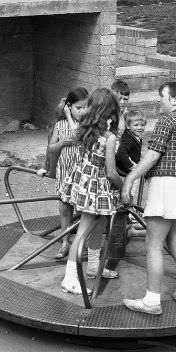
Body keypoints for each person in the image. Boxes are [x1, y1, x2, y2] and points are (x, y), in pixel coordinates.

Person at [121, 82, 176, 315]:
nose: (159, 101)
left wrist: (130, 179)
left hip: (166, 184)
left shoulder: (168, 120)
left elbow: (154, 154)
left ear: (175, 100)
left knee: (153, 244)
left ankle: (151, 301)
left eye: (162, 97)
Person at [59, 88, 124, 294]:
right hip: (96, 186)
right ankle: (70, 279)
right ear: (110, 111)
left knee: (98, 224)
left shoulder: (84, 130)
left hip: (83, 181)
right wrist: (124, 187)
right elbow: (112, 173)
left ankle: (94, 266)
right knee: (82, 233)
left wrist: (69, 114)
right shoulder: (109, 138)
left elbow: (74, 130)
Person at [41, 88, 89, 260]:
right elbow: (50, 148)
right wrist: (61, 143)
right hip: (65, 169)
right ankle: (64, 241)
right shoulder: (60, 126)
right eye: (78, 108)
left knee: (83, 207)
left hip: (82, 171)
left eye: (85, 107)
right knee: (64, 206)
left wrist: (69, 116)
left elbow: (77, 137)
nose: (83, 111)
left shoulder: (87, 125)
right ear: (69, 107)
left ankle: (83, 242)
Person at [116, 109, 146, 176]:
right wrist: (132, 167)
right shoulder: (128, 139)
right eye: (136, 125)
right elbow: (121, 154)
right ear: (128, 126)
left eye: (142, 125)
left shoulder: (136, 136)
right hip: (123, 172)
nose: (139, 128)